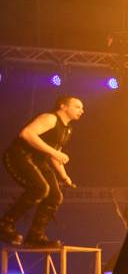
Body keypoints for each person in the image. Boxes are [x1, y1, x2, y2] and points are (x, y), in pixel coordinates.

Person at [1, 94, 84, 248]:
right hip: (19, 155)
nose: (82, 110)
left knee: (55, 196)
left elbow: (53, 154)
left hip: (39, 161)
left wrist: (64, 176)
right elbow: (26, 134)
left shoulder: (67, 130)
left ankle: (35, 236)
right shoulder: (50, 118)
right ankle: (5, 224)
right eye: (77, 106)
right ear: (63, 106)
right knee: (40, 188)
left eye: (82, 108)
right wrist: (55, 153)